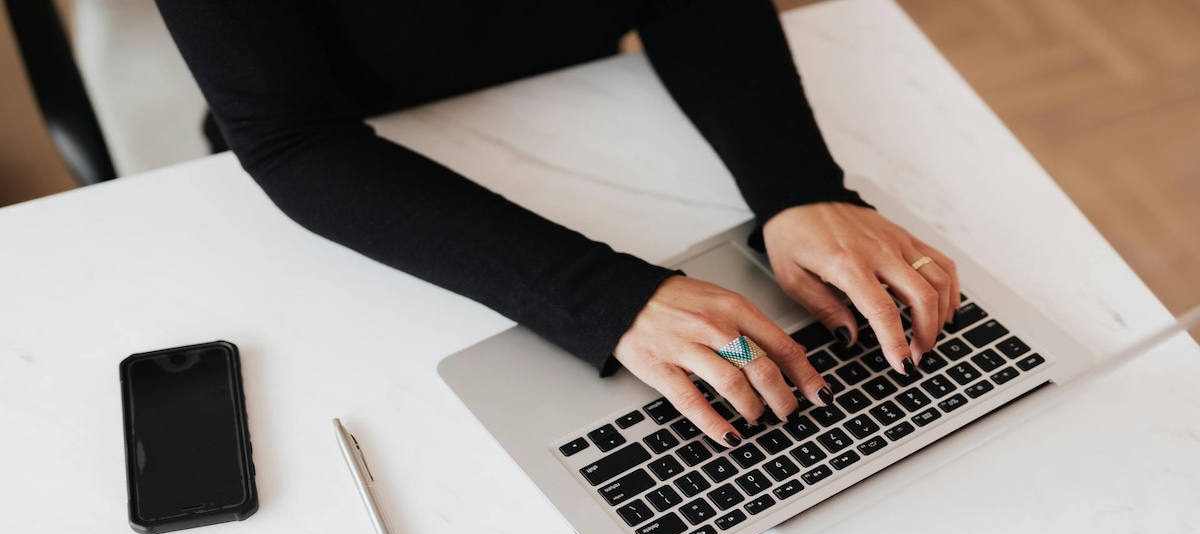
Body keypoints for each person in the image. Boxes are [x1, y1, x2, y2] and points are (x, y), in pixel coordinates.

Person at [155, 0, 959, 449]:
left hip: (583, 98)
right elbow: (292, 139)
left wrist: (799, 188)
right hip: (361, 181)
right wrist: (612, 299)